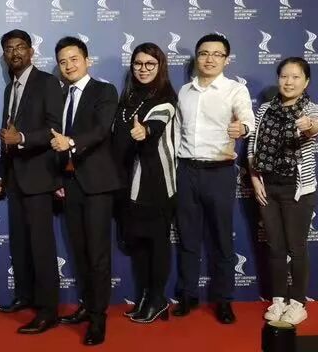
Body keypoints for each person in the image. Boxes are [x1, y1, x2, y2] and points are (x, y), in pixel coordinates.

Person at [173, 33, 255, 324]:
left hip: (219, 173)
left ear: (226, 60)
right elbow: (177, 131)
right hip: (186, 171)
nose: (209, 59)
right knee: (187, 238)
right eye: (204, 53)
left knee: (222, 239)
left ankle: (224, 300)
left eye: (217, 54)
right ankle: (187, 295)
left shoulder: (235, 90)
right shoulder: (184, 91)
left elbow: (247, 118)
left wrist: (242, 128)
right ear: (197, 57)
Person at [49, 37, 121, 345]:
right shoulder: (60, 95)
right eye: (63, 61)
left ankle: (98, 319)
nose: (68, 66)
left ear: (87, 60)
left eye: (74, 59)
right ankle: (87, 305)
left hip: (97, 184)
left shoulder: (104, 91)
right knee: (79, 252)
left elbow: (101, 130)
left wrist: (71, 142)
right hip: (70, 184)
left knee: (98, 254)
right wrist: (58, 177)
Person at [0, 29, 64, 334]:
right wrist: (1, 172)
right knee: (20, 245)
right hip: (15, 179)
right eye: (9, 49)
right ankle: (25, 296)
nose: (15, 53)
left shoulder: (47, 82)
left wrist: (22, 137)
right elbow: (6, 134)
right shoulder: (10, 89)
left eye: (20, 47)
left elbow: (54, 128)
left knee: (41, 247)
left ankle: (48, 311)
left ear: (31, 51)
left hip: (39, 177)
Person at [248, 57, 318, 325]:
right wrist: (254, 177)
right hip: (267, 187)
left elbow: (316, 127)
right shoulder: (265, 109)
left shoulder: (312, 109)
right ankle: (279, 299)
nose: (289, 82)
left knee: (297, 247)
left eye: (295, 77)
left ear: (306, 81)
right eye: (284, 76)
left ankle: (298, 303)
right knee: (276, 248)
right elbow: (253, 144)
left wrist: (308, 126)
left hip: (297, 189)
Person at [112, 43, 177, 325]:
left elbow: (157, 124)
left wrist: (145, 131)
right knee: (137, 243)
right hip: (128, 183)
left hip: (155, 184)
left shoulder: (165, 99)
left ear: (160, 66)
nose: (143, 69)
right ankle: (145, 296)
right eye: (138, 63)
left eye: (150, 64)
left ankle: (158, 299)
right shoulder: (127, 98)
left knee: (157, 243)